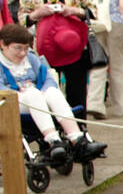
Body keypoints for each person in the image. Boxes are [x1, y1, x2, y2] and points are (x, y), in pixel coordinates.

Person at [0, 24, 106, 166]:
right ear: (3, 45)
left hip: (38, 99)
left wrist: (45, 90)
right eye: (17, 48)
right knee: (33, 94)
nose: (22, 53)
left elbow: (47, 78)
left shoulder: (31, 58)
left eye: (25, 48)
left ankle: (77, 140)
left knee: (53, 92)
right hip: (14, 102)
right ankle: (53, 140)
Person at [19, 0, 91, 111]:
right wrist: (37, 13)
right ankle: (56, 131)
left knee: (77, 90)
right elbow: (22, 18)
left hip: (73, 43)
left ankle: (80, 129)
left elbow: (90, 10)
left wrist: (71, 10)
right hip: (46, 46)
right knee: (49, 91)